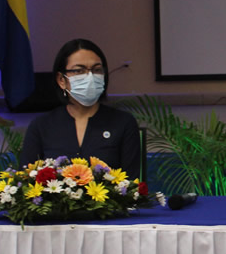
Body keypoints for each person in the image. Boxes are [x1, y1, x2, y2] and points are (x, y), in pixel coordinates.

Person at [20, 39, 142, 179]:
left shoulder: (123, 123)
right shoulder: (41, 126)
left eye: (96, 70)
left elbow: (132, 183)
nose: (90, 77)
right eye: (79, 70)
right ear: (61, 80)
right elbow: (26, 180)